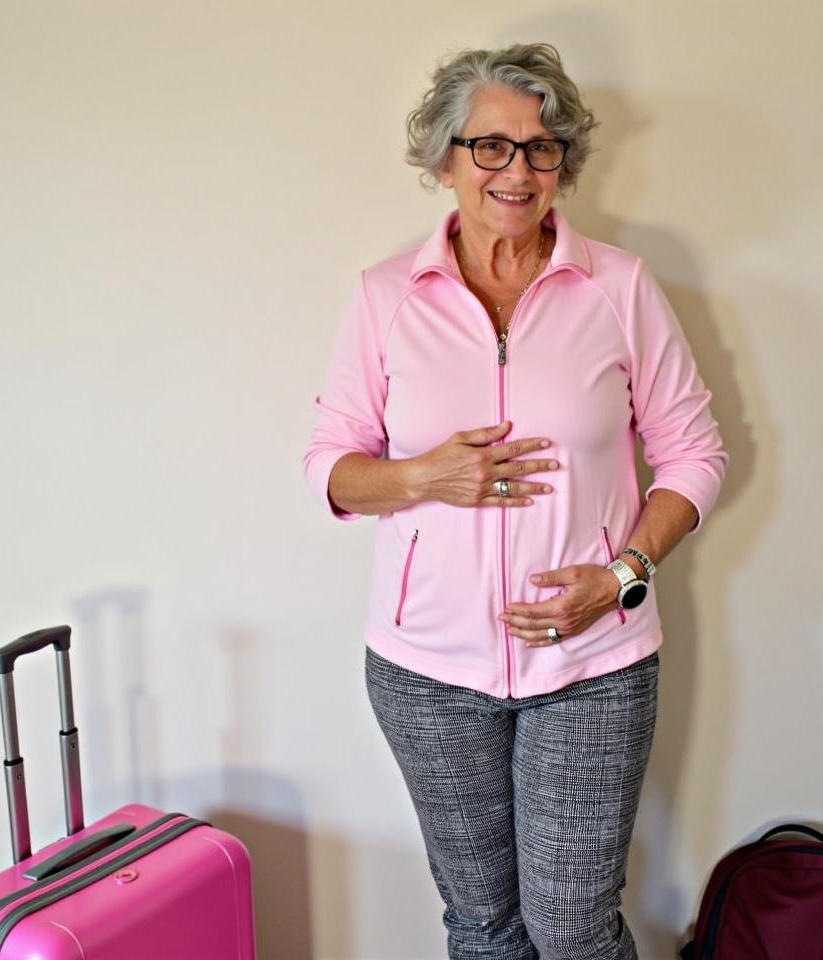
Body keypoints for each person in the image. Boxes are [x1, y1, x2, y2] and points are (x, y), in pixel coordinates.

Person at [302, 42, 727, 960]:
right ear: (446, 160)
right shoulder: (386, 296)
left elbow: (693, 454)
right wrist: (424, 477)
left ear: (563, 165)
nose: (517, 170)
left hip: (593, 664)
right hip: (425, 674)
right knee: (485, 929)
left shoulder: (619, 287)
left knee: (574, 931)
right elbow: (330, 466)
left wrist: (623, 574)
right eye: (490, 147)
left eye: (541, 148)